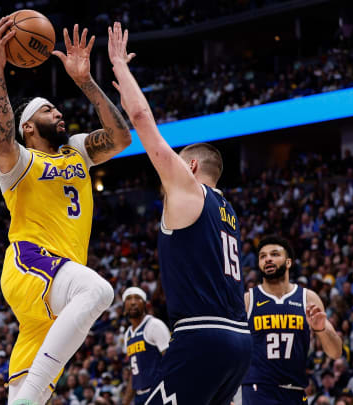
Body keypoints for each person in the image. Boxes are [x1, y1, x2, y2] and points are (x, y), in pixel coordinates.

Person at [0, 16, 132, 405]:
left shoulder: (78, 151)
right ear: (29, 127)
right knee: (99, 289)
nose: (59, 113)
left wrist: (85, 81)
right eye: (48, 110)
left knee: (27, 396)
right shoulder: (20, 162)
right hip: (30, 261)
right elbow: (2, 139)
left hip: (55, 288)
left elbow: (121, 137)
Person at [108, 21, 252, 404]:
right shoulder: (228, 211)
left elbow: (142, 120)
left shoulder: (190, 189)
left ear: (189, 168)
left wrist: (120, 66)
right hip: (238, 340)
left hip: (202, 336)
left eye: (177, 161)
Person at [241, 236, 342, 404]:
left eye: (274, 254)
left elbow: (335, 352)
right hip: (258, 390)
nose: (268, 259)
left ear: (288, 262)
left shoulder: (308, 298)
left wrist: (320, 329)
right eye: (263, 256)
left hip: (295, 391)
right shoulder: (248, 300)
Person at [120, 287, 170, 405]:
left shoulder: (154, 325)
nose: (133, 302)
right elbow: (135, 373)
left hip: (158, 392)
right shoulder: (128, 334)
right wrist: (126, 401)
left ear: (145, 305)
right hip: (139, 396)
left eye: (138, 298)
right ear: (124, 307)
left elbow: (170, 360)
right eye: (128, 299)